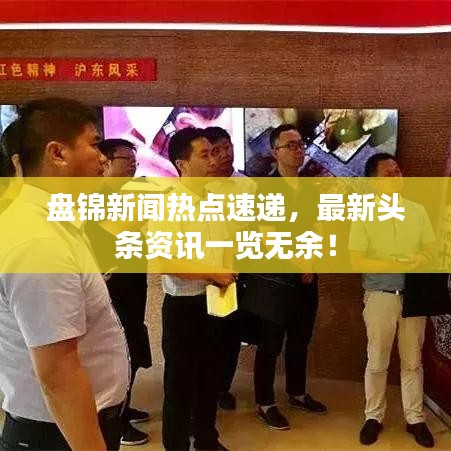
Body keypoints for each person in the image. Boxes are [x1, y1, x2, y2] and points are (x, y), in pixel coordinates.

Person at [0, 98, 130, 451]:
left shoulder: (54, 222)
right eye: (94, 144)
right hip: (59, 435)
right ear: (57, 153)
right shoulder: (39, 240)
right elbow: (58, 373)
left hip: (69, 427)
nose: (104, 159)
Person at [243, 124, 327, 431]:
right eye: (290, 145)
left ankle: (297, 392)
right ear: (274, 152)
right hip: (276, 280)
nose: (298, 150)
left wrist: (311, 262)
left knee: (300, 340)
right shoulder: (266, 189)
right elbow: (268, 236)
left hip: (307, 276)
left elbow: (318, 229)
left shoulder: (310, 187)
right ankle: (265, 402)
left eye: (301, 144)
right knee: (270, 343)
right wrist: (299, 261)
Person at [348, 153, 436, 448]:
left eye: (398, 171)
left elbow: (430, 249)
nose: (397, 176)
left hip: (414, 297)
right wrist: (396, 262)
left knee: (413, 361)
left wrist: (419, 258)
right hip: (380, 296)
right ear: (374, 182)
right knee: (377, 360)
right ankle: (373, 416)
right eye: (389, 173)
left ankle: (415, 418)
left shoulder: (417, 211)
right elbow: (356, 259)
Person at [159, 127, 235, 451]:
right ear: (182, 164)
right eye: (204, 155)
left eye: (213, 152)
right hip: (184, 307)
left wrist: (227, 270)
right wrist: (213, 273)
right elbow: (164, 261)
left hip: (216, 299)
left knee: (210, 377)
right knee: (180, 384)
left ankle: (207, 440)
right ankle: (175, 445)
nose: (213, 160)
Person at [85, 138, 151, 446]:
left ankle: (124, 406)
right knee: (116, 350)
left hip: (133, 281)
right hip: (110, 287)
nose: (133, 164)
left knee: (132, 346)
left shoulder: (129, 194)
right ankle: (116, 420)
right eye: (126, 159)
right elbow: (114, 234)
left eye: (134, 159)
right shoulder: (94, 198)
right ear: (106, 163)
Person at [203, 126, 255, 411]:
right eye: (216, 150)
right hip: (202, 275)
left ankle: (222, 386)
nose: (224, 154)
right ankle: (205, 388)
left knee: (230, 334)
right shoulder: (199, 187)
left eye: (228, 147)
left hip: (236, 273)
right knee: (207, 334)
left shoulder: (247, 186)